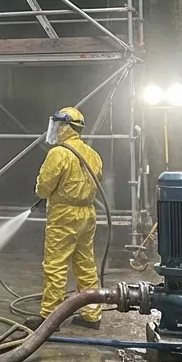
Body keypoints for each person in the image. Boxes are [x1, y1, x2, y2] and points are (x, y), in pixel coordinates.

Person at [25, 106, 104, 332]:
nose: (56, 130)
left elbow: (43, 187)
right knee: (85, 263)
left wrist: (48, 194)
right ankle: (92, 314)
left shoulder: (59, 153)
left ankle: (50, 317)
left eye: (58, 125)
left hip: (64, 215)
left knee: (56, 265)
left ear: (65, 126)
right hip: (87, 213)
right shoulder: (92, 154)